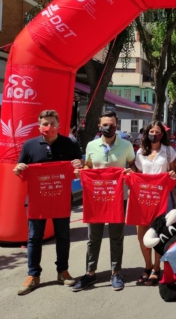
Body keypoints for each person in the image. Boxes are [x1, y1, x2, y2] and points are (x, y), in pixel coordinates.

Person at [13, 110, 83, 296]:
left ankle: (63, 271)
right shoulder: (29, 145)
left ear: (59, 125)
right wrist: (18, 168)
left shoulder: (70, 143)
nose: (49, 127)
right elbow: (19, 169)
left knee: (63, 236)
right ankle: (33, 275)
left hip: (61, 199)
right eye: (45, 123)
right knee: (34, 237)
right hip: (38, 201)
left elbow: (79, 168)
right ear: (39, 126)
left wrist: (78, 167)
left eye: (52, 123)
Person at [73, 111, 136, 292]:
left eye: (112, 124)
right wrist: (82, 171)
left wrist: (130, 173)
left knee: (116, 237)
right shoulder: (92, 145)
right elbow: (88, 167)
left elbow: (133, 166)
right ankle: (90, 273)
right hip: (96, 199)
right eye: (105, 125)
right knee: (94, 238)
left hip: (118, 198)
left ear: (117, 125)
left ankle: (116, 272)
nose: (109, 127)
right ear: (99, 127)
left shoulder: (126, 145)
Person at [133, 121, 176, 286]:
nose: (154, 134)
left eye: (157, 131)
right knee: (142, 236)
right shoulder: (140, 153)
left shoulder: (168, 151)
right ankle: (147, 265)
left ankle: (156, 269)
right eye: (151, 131)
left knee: (158, 235)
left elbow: (173, 171)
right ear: (146, 133)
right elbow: (137, 174)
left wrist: (172, 174)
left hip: (161, 200)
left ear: (162, 134)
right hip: (143, 199)